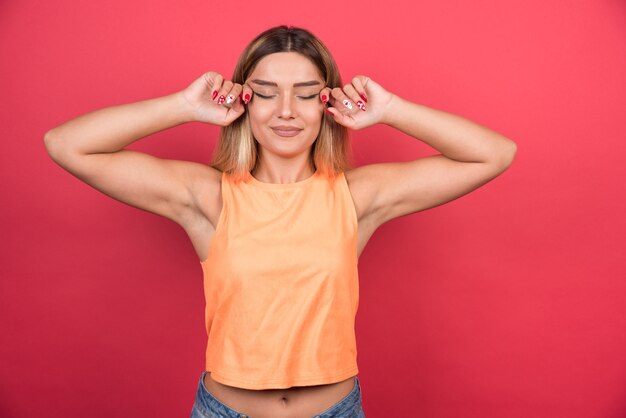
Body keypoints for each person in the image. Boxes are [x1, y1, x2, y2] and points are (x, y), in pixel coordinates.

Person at [44, 25, 516, 418]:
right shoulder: (209, 197)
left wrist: (390, 110)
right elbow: (66, 144)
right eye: (266, 94)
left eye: (306, 95)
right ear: (243, 104)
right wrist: (184, 106)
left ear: (326, 105)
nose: (286, 110)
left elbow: (494, 154)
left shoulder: (357, 196)